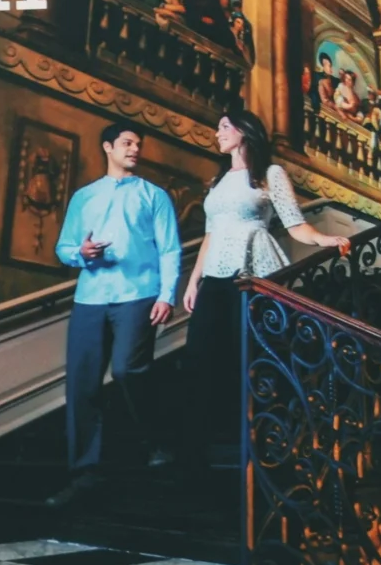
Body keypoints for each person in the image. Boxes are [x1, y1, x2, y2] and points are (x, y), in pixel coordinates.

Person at [183, 109, 349, 464]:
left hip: (254, 272)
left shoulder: (270, 174)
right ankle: (204, 444)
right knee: (200, 355)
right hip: (215, 275)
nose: (218, 132)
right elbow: (210, 236)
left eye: (224, 126)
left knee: (248, 353)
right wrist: (194, 280)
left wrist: (325, 240)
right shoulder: (218, 181)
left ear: (245, 132)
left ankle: (258, 442)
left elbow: (295, 224)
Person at [49, 118, 182, 507]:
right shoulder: (84, 197)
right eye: (126, 142)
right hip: (90, 297)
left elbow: (170, 249)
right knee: (83, 383)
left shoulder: (154, 195)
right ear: (108, 148)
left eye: (138, 144)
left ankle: (157, 441)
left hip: (139, 295)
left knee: (126, 369)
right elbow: (64, 247)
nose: (134, 149)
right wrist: (81, 254)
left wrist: (167, 295)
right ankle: (85, 471)